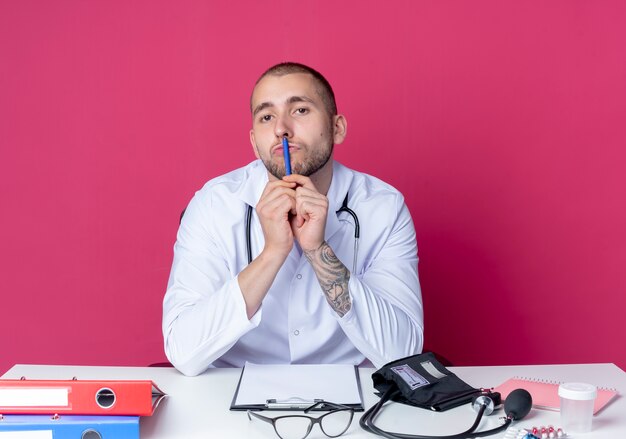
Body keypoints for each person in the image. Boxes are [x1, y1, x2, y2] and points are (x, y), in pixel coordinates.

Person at [162, 62, 423, 376]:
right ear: (254, 141)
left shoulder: (383, 207)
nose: (281, 129)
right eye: (266, 116)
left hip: (351, 394)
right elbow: (184, 352)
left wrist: (317, 248)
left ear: (337, 128)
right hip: (227, 395)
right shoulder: (212, 205)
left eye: (300, 110)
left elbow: (403, 352)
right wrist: (273, 253)